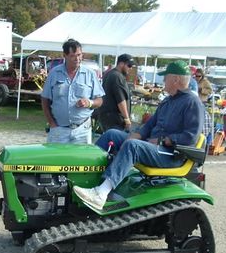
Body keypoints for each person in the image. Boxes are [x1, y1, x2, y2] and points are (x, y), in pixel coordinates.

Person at [73, 60, 204, 210]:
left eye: (165, 77)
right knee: (112, 134)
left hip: (171, 154)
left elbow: (191, 136)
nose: (163, 80)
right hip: (154, 147)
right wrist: (138, 134)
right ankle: (87, 178)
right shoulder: (168, 101)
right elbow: (150, 124)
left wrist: (163, 140)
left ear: (176, 79)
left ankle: (101, 194)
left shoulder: (192, 102)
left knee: (132, 146)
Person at [41, 39, 104, 144]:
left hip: (82, 131)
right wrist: (52, 123)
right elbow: (44, 99)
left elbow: (100, 100)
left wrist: (90, 103)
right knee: (57, 160)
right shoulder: (54, 73)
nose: (77, 59)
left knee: (81, 160)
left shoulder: (90, 74)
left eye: (79, 55)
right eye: (73, 55)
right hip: (58, 130)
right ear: (64, 55)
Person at [97, 53, 135, 132]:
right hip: (114, 119)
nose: (130, 68)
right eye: (129, 65)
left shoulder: (110, 73)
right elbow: (121, 100)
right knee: (115, 142)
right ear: (121, 64)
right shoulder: (117, 77)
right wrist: (127, 118)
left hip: (106, 117)